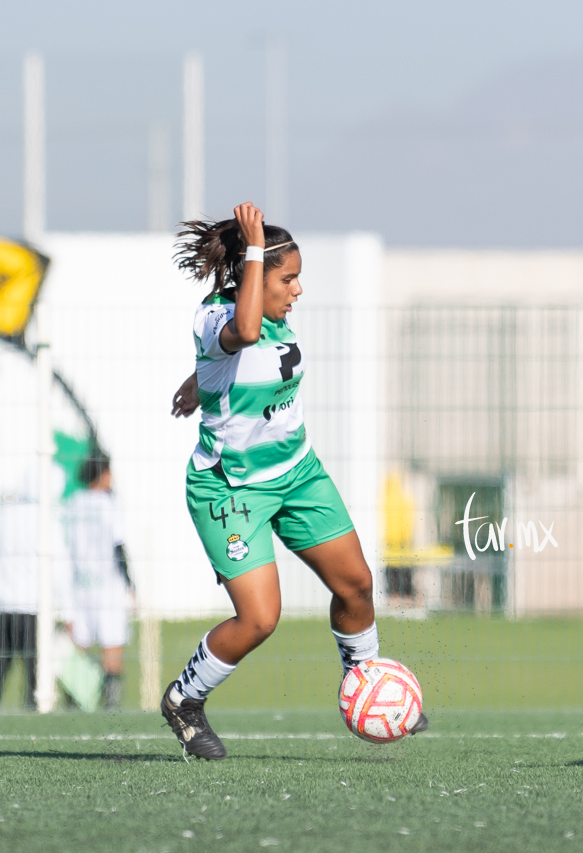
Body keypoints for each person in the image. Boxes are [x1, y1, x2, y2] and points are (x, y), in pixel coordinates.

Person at [163, 201, 426, 759]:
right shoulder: (214, 316)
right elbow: (241, 330)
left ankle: (364, 682)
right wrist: (254, 252)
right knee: (260, 619)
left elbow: (244, 358)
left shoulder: (273, 319)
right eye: (290, 277)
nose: (298, 289)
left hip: (299, 474)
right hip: (231, 490)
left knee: (355, 584)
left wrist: (199, 381)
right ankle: (184, 701)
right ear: (253, 273)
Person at [0, 469, 73, 709]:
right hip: (34, 608)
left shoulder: (3, 516)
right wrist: (69, 612)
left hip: (4, 606)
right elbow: (60, 568)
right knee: (37, 674)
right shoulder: (47, 521)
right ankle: (34, 720)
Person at [63, 448, 133, 710]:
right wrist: (131, 585)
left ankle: (74, 704)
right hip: (108, 585)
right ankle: (110, 705)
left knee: (79, 647)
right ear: (102, 473)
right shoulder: (109, 504)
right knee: (112, 647)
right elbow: (119, 546)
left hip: (79, 585)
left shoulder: (72, 503)